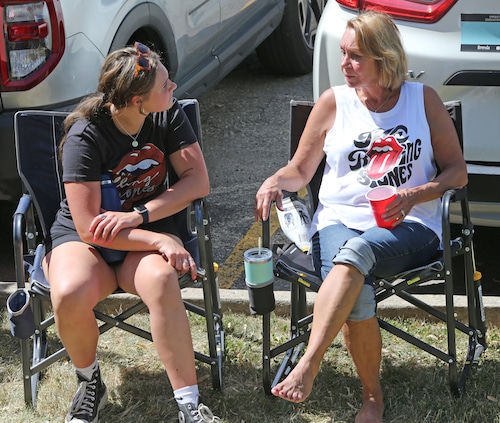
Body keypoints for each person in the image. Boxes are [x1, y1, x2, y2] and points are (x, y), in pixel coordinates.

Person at [254, 11, 467, 423]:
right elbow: (299, 170)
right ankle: (373, 398)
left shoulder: (422, 100)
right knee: (354, 269)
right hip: (338, 221)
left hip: (412, 225)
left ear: (384, 58)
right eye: (343, 54)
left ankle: (309, 363)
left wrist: (414, 194)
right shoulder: (334, 102)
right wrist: (273, 181)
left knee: (355, 254)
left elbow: (457, 171)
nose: (344, 64)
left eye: (355, 57)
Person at [43, 42, 220, 423]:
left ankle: (189, 406)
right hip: (86, 239)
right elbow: (90, 227)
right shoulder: (85, 134)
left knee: (160, 280)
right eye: (164, 85)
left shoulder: (168, 116)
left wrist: (140, 217)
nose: (173, 88)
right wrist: (159, 239)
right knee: (69, 292)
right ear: (138, 101)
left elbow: (197, 181)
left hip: (142, 233)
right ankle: (90, 383)